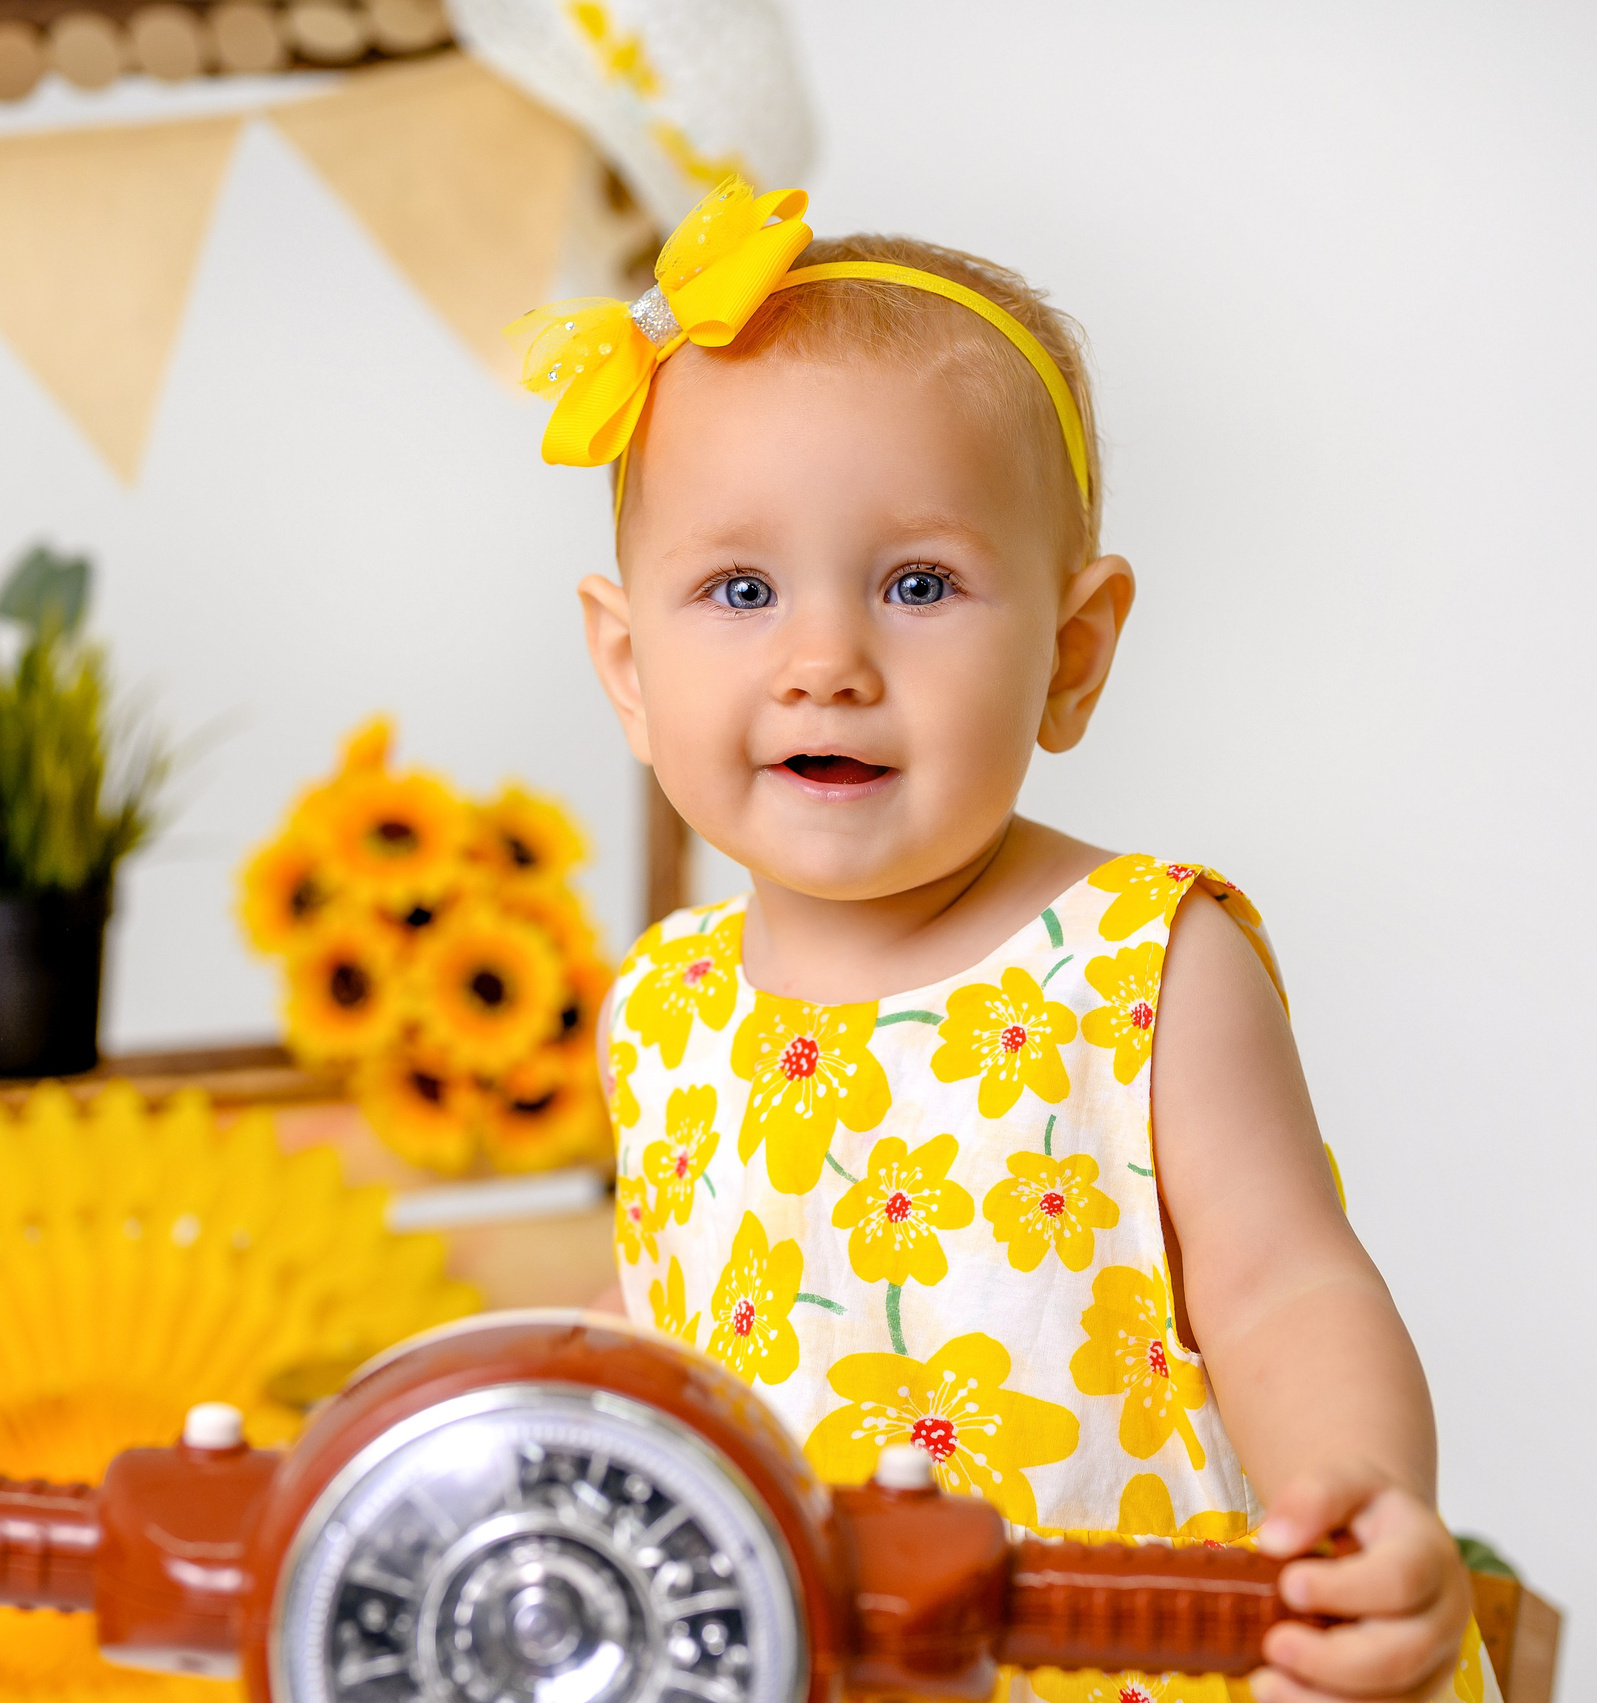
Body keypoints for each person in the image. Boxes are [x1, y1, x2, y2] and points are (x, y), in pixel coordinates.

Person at [518, 178, 1496, 1703]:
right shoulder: (661, 1003)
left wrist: (1358, 1504)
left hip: (1142, 1672)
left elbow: (1284, 1286)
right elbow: (668, 1307)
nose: (824, 661)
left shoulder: (1141, 963)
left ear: (1072, 650)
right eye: (740, 588)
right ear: (628, 666)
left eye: (918, 584)